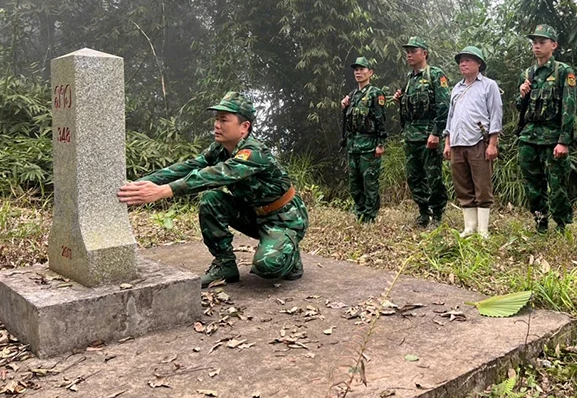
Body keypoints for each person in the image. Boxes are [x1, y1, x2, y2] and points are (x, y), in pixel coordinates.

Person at [117, 92, 307, 288]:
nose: (217, 125)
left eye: (224, 120)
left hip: (284, 220)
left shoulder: (254, 153)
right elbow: (189, 167)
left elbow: (217, 174)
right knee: (211, 199)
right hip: (252, 215)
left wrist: (164, 191)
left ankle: (290, 254)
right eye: (216, 119)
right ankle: (225, 265)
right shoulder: (219, 150)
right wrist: (138, 185)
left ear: (244, 126)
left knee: (268, 266)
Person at [516, 24, 576, 234]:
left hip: (552, 138)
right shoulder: (528, 72)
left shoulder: (563, 71)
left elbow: (569, 107)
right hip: (529, 138)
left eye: (542, 42)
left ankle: (561, 226)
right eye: (534, 43)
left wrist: (563, 141)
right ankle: (540, 223)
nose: (537, 46)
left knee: (557, 185)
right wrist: (522, 94)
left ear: (554, 45)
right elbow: (520, 108)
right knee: (533, 185)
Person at [443, 46, 502, 238]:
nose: (463, 63)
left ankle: (483, 230)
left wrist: (493, 144)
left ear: (479, 63)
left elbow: (495, 114)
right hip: (458, 143)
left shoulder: (488, 85)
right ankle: (469, 228)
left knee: (482, 185)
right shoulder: (456, 88)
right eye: (461, 60)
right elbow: (450, 117)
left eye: (468, 60)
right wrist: (447, 142)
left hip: (478, 141)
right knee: (462, 186)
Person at [392, 37, 450, 227]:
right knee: (414, 177)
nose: (409, 54)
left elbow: (443, 106)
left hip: (428, 135)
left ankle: (438, 215)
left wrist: (436, 132)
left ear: (424, 53)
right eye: (407, 51)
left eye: (413, 51)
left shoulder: (435, 74)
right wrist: (401, 101)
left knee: (433, 177)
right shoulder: (410, 79)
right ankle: (424, 214)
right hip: (411, 136)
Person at [340, 57, 387, 223]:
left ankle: (370, 216)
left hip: (369, 145)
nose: (358, 72)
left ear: (370, 72)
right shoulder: (352, 95)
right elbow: (347, 121)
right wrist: (344, 106)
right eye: (356, 70)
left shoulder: (375, 93)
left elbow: (381, 120)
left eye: (362, 69)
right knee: (355, 184)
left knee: (370, 182)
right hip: (353, 146)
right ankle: (359, 213)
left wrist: (381, 144)